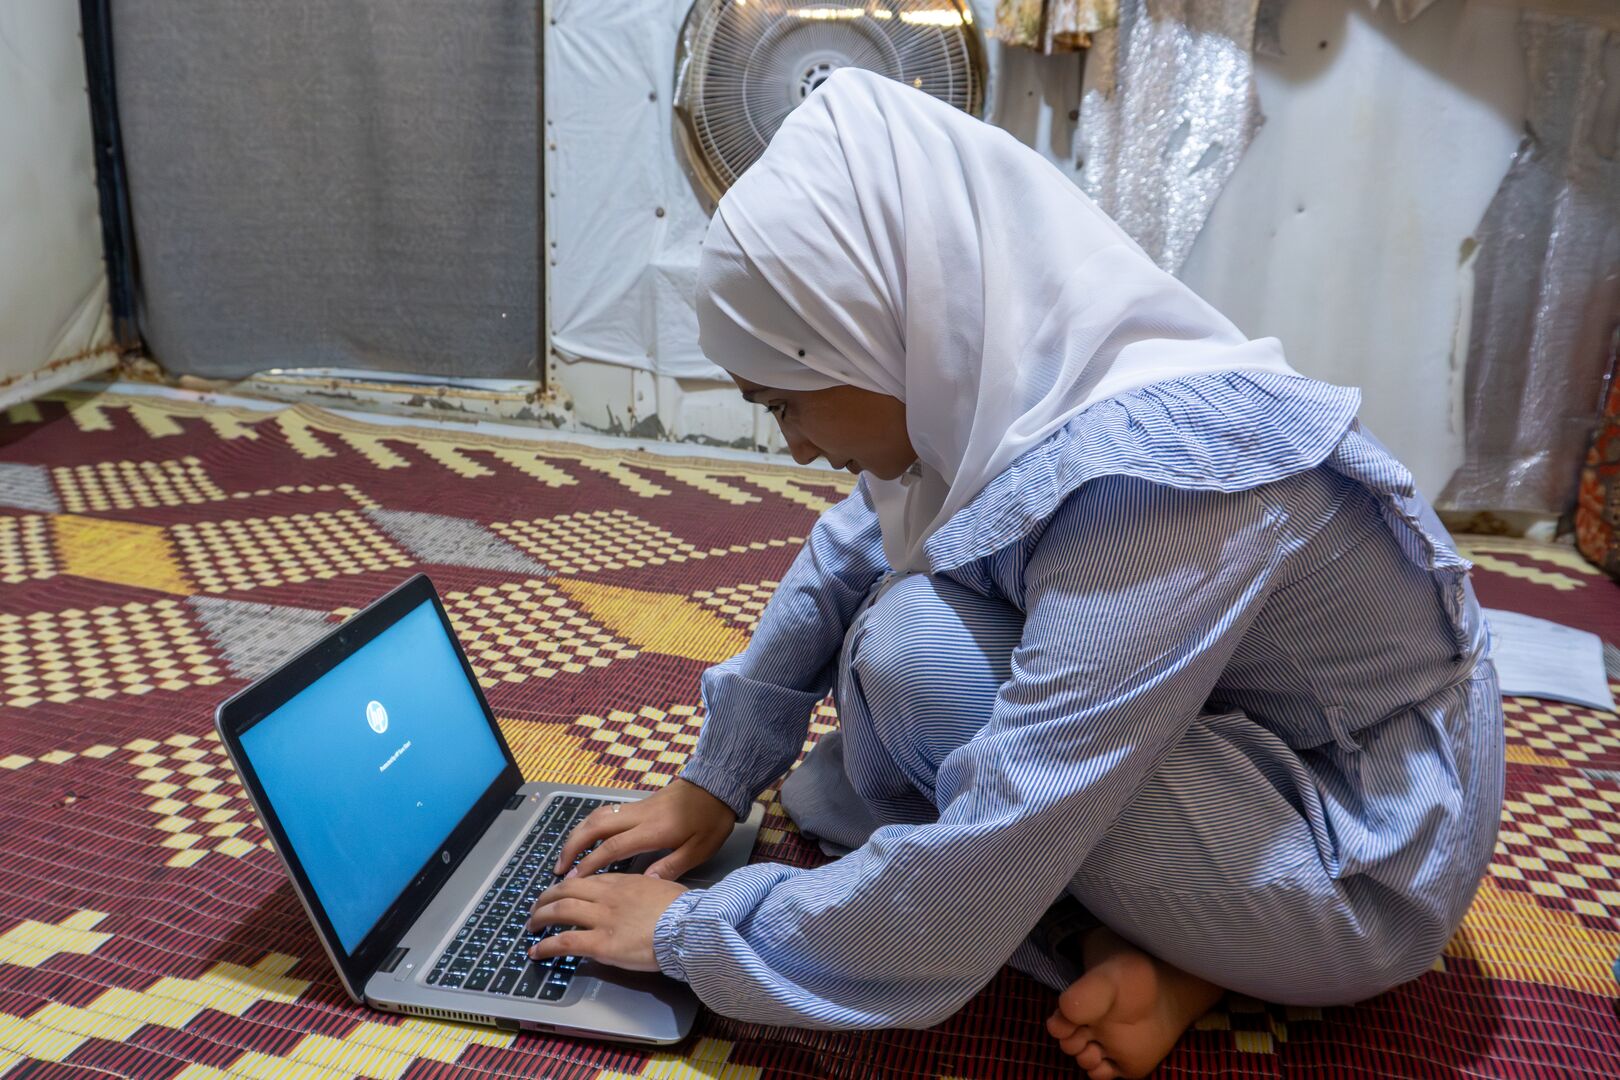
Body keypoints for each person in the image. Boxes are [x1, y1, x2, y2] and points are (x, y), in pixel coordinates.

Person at [526, 69, 1503, 1079]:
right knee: (907, 653)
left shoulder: (1154, 474)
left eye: (785, 403)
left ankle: (1212, 945)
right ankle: (1143, 950)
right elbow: (849, 547)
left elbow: (1017, 819)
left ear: (876, 326)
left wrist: (695, 933)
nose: (800, 448)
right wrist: (714, 780)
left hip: (1360, 863)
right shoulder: (1020, 370)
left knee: (926, 700)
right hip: (1246, 760)